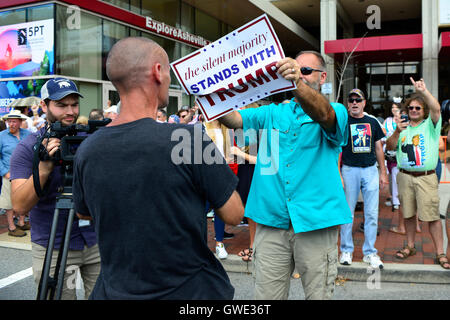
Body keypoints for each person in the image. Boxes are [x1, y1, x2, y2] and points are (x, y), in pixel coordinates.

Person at [72, 37, 244, 299]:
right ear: (157, 71)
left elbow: (84, 213)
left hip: (115, 290)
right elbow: (233, 213)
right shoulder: (189, 139)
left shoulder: (87, 149)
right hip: (189, 291)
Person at [218, 50, 352, 300]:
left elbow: (324, 115)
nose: (297, 74)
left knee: (319, 295)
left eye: (305, 71)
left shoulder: (336, 110)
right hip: (271, 223)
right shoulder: (273, 112)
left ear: (322, 77)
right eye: (293, 69)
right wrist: (211, 96)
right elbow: (234, 119)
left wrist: (297, 82)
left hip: (315, 223)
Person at [9, 77, 101, 299]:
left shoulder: (91, 139)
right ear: (44, 105)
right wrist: (44, 167)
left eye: (74, 104)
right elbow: (20, 206)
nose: (70, 111)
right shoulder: (28, 147)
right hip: (54, 244)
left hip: (96, 240)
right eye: (61, 105)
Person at [386, 77, 449, 270]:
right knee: (409, 215)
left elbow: (436, 108)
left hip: (426, 177)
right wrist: (397, 131)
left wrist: (423, 91)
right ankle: (410, 246)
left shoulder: (431, 125)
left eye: (417, 108)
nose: (413, 111)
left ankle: (440, 253)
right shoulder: (402, 128)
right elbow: (389, 146)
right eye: (411, 108)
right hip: (404, 176)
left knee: (431, 217)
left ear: (423, 111)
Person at [339, 89, 388, 269]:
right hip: (349, 170)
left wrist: (383, 172)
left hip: (370, 170)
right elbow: (338, 149)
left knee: (372, 213)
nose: (354, 103)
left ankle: (370, 252)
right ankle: (346, 250)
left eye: (357, 100)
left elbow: (378, 148)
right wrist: (339, 173)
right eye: (351, 100)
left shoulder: (372, 121)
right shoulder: (344, 122)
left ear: (364, 102)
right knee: (347, 213)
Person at [0, 110, 31, 237]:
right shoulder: (2, 136)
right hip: (9, 173)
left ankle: (22, 223)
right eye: (9, 121)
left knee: (24, 198)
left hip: (25, 173)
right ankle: (12, 227)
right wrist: (4, 172)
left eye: (14, 121)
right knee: (8, 202)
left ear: (20, 122)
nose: (11, 124)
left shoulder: (27, 134)